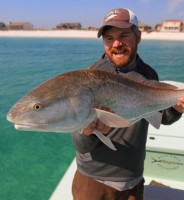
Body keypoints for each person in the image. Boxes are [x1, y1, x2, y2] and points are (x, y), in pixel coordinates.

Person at [72, 8, 184, 200]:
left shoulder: (148, 75)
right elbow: (80, 145)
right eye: (109, 38)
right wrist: (90, 133)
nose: (117, 44)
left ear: (138, 36)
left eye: (123, 35)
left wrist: (176, 108)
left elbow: (158, 116)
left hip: (133, 178)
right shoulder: (90, 79)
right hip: (94, 181)